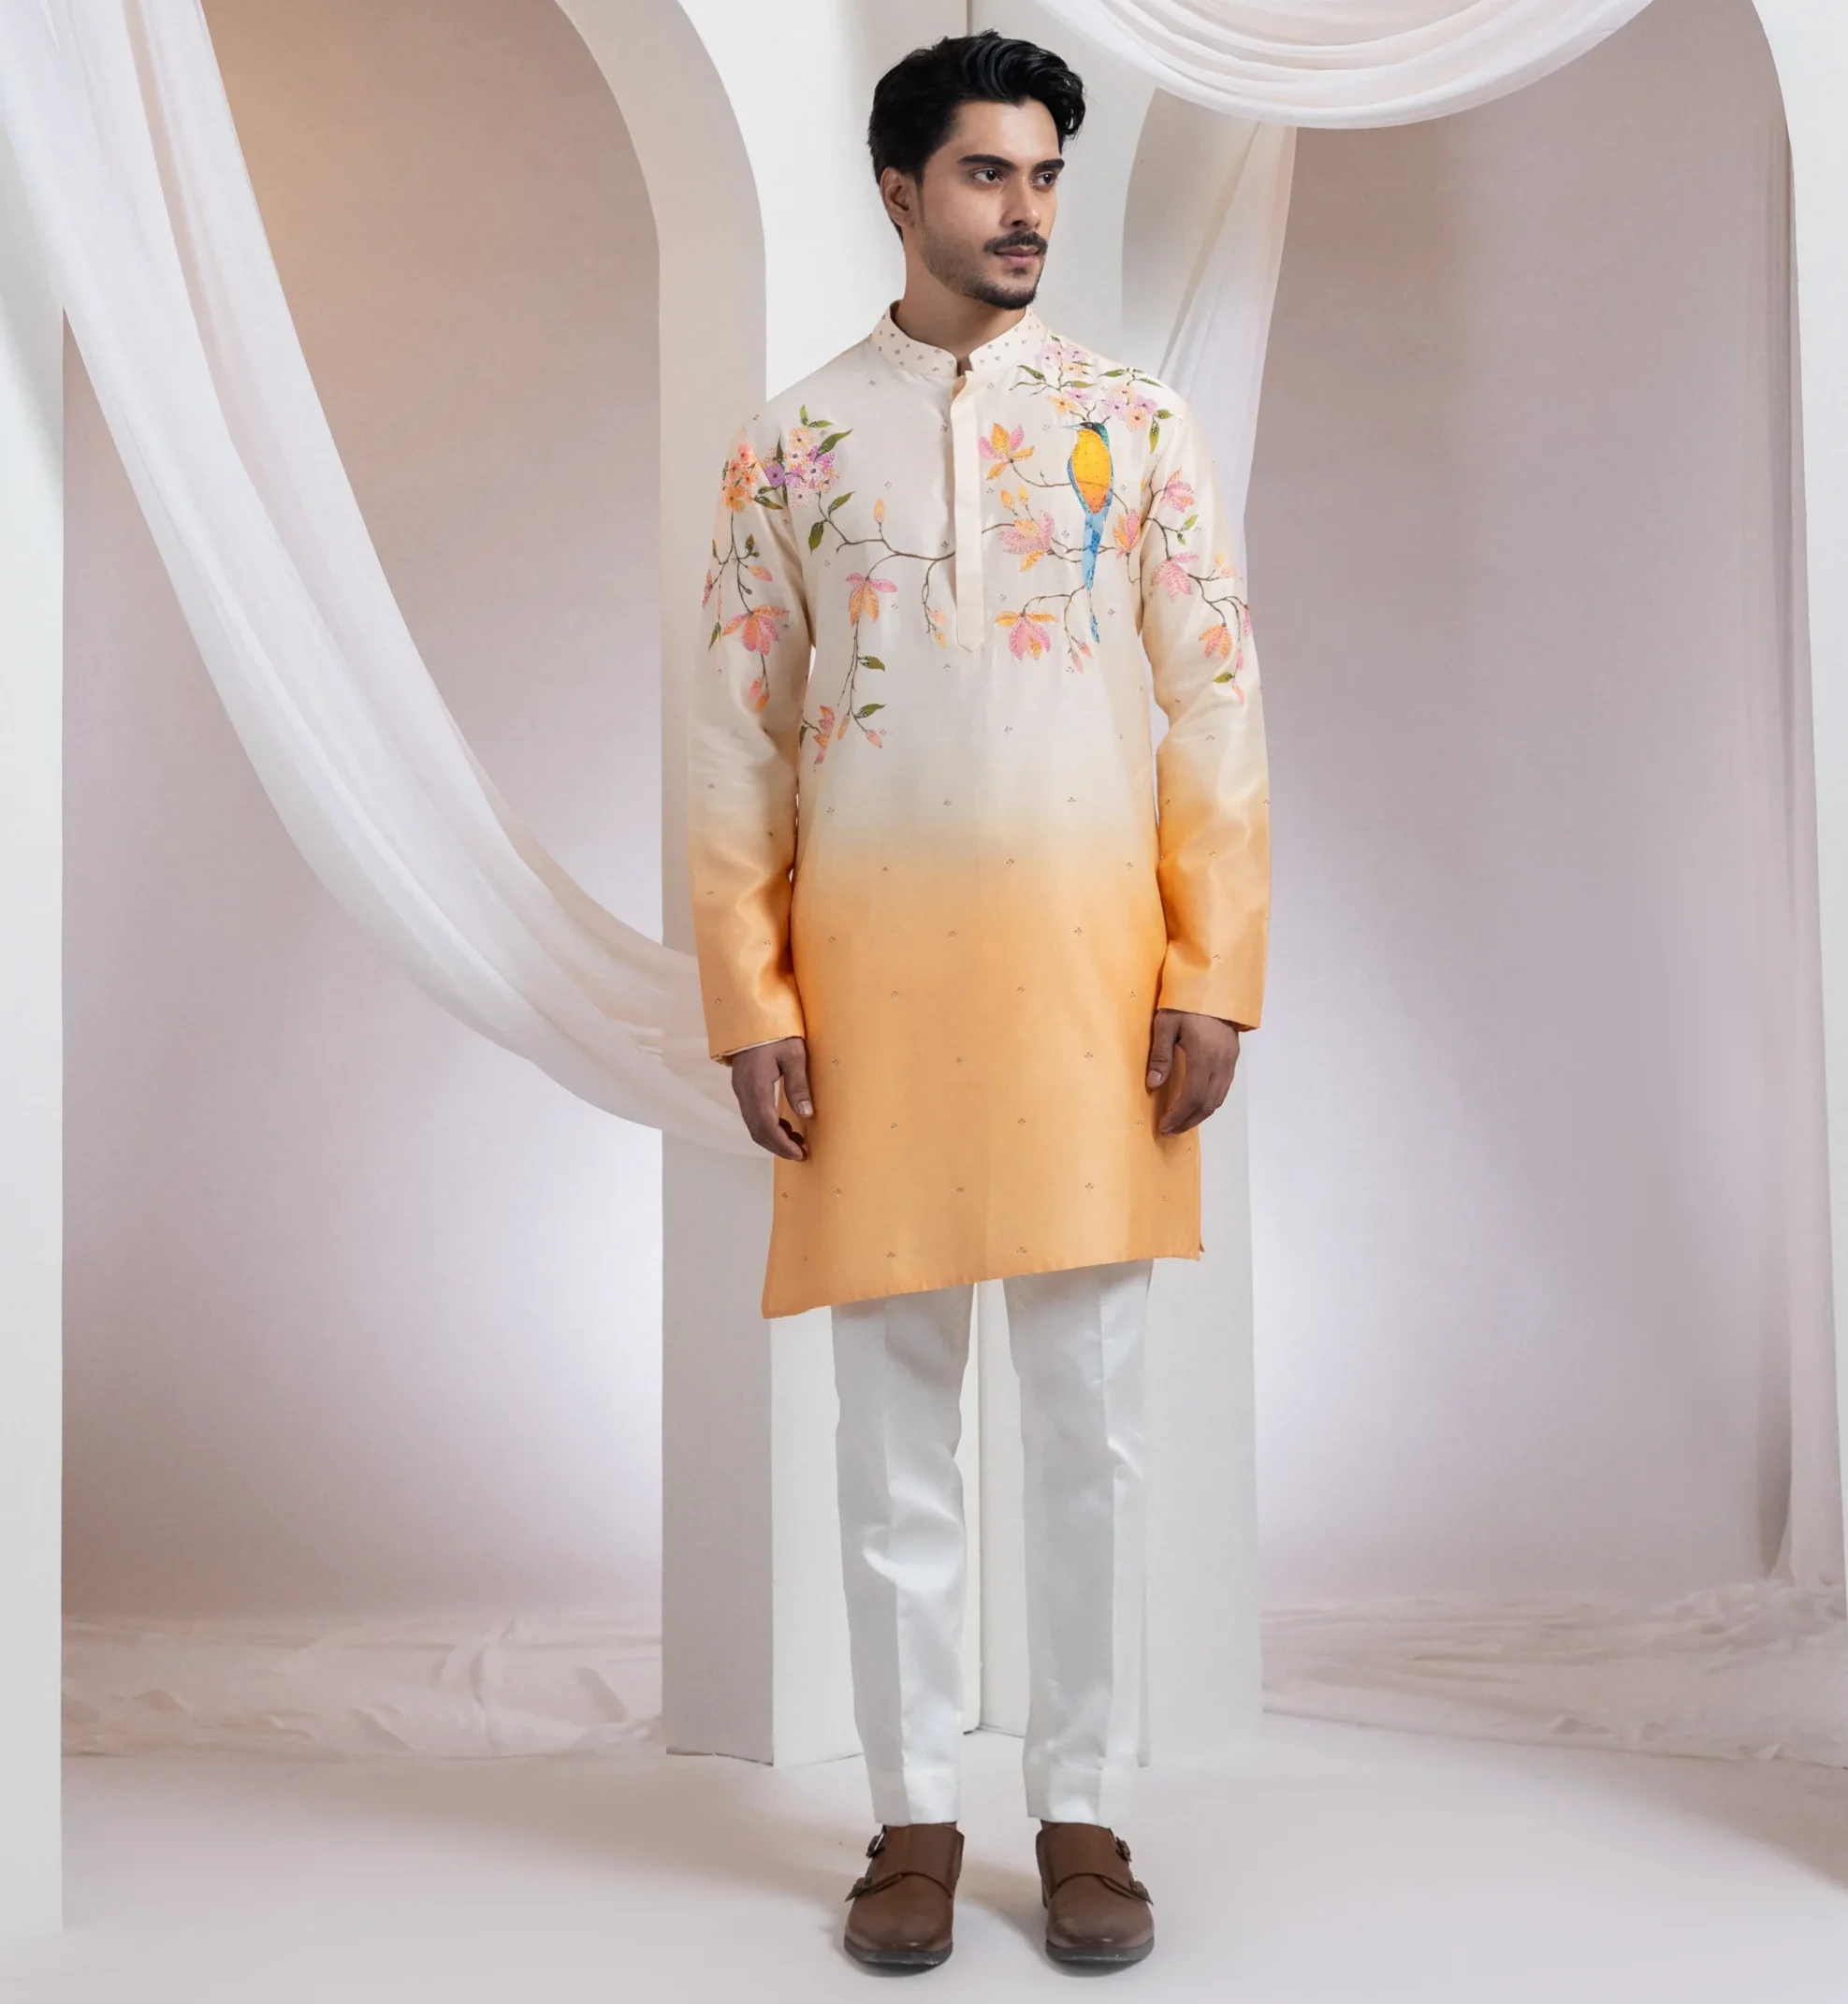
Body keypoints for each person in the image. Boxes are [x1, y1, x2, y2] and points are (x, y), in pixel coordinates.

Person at [687, 28, 1269, 1974]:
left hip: (1097, 997)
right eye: (988, 175)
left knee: (1091, 1432)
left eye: (1043, 177)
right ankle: (915, 1816)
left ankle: (1082, 1809)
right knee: (889, 1441)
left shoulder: (1136, 424)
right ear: (900, 191)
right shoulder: (790, 446)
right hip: (866, 1003)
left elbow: (1215, 705)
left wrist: (1214, 971)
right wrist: (751, 998)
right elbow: (732, 737)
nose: (1026, 211)